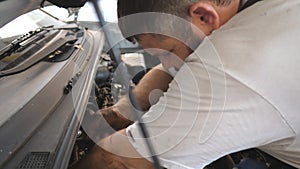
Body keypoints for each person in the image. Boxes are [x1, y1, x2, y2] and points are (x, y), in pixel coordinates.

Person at [71, 0, 300, 168]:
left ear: (203, 16)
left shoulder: (236, 62)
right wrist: (124, 109)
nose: (166, 63)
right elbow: (169, 69)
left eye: (169, 51)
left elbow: (115, 159)